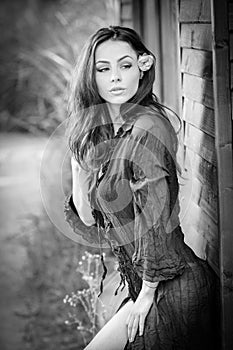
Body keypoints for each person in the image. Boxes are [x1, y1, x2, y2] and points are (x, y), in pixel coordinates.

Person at [64, 26, 218, 350]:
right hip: (148, 286)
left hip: (170, 288)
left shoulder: (147, 127)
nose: (115, 78)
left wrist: (146, 293)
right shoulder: (112, 131)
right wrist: (78, 163)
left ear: (141, 66)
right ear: (91, 78)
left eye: (125, 65)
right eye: (104, 69)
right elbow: (90, 220)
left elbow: (155, 215)